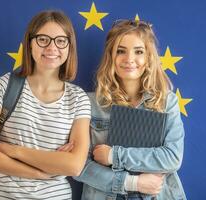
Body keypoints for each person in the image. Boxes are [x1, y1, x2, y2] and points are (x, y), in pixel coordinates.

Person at [0, 10, 91, 200]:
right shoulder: (3, 86)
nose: (52, 47)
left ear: (69, 47)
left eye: (61, 41)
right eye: (43, 39)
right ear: (30, 43)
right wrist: (39, 172)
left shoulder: (78, 98)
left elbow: (74, 165)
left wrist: (14, 150)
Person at [73, 19, 186, 200]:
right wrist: (131, 182)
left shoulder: (166, 102)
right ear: (111, 57)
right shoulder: (89, 103)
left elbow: (172, 158)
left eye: (139, 51)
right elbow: (77, 167)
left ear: (149, 58)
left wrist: (114, 156)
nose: (129, 59)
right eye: (120, 51)